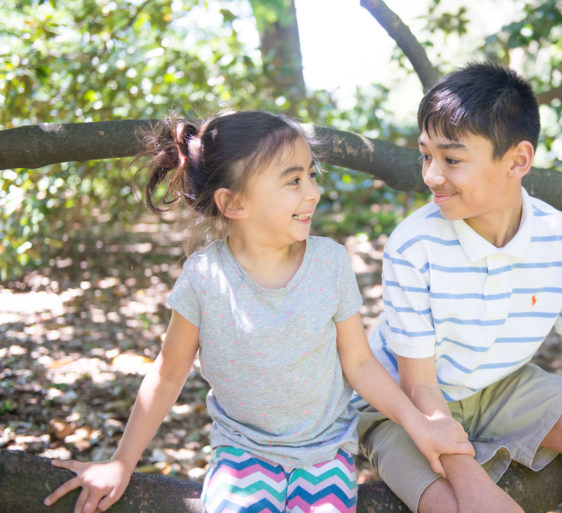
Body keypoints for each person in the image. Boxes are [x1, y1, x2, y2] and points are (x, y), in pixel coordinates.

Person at [44, 110, 474, 513]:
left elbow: (359, 364)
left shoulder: (329, 263)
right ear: (234, 204)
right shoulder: (205, 278)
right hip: (242, 453)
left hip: (324, 452)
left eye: (312, 174)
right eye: (293, 181)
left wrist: (419, 426)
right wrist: (121, 462)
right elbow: (168, 373)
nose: (313, 192)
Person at [355, 62, 562, 513]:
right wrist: (472, 483)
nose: (432, 175)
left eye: (451, 159)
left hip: (503, 384)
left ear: (518, 160)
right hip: (406, 408)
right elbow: (419, 385)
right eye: (425, 155)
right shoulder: (412, 245)